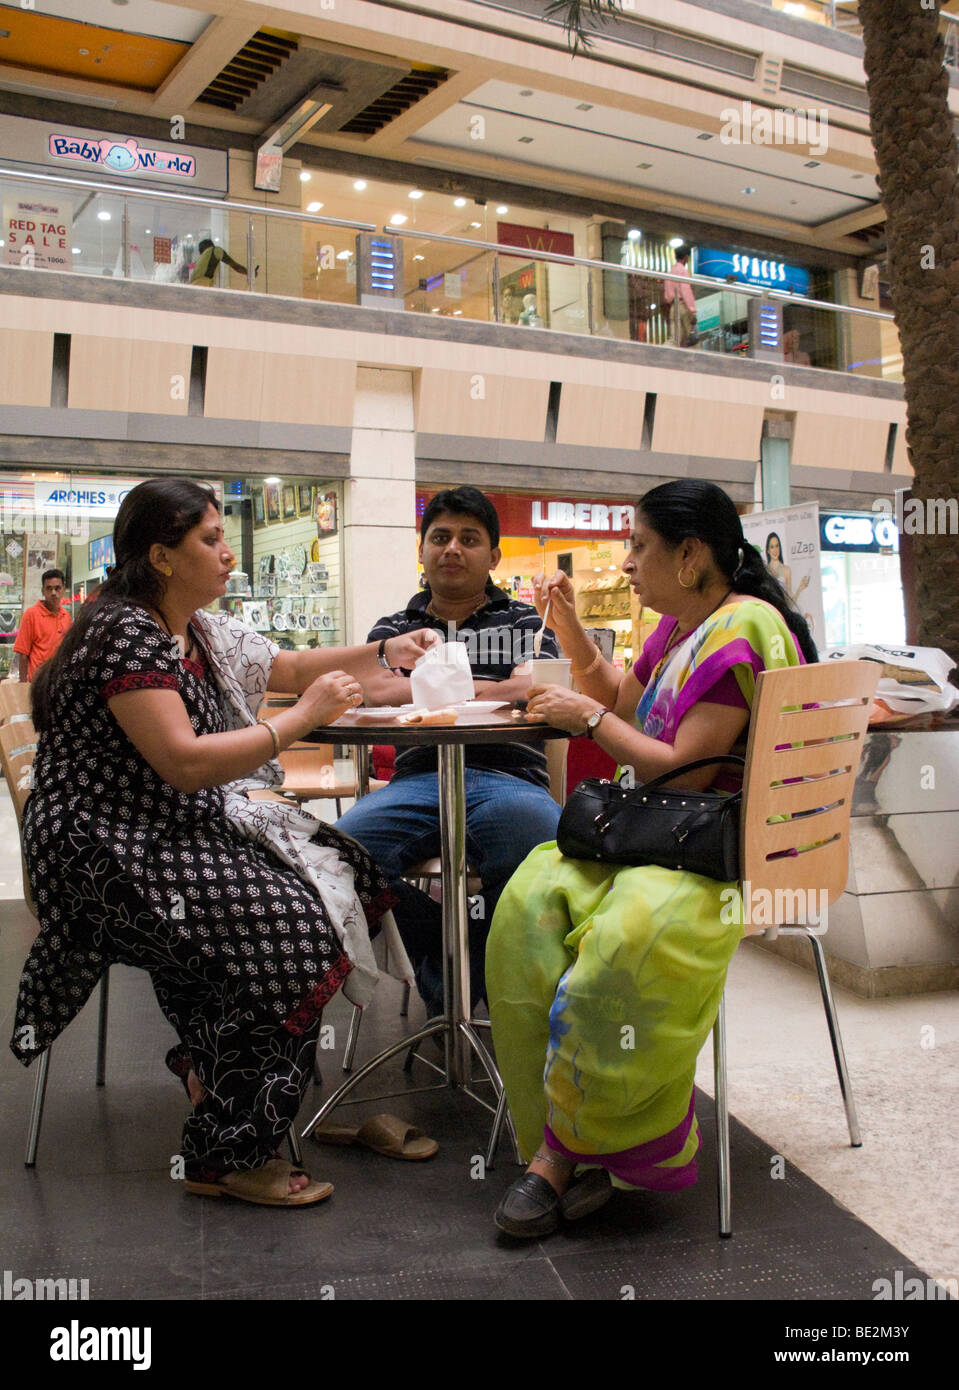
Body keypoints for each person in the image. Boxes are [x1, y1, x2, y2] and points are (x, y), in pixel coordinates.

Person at [9, 479, 437, 1208]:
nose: (228, 554)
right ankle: (229, 1147)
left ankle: (243, 1089)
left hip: (163, 828)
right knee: (292, 928)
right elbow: (182, 761)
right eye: (210, 539)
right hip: (102, 849)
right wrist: (301, 717)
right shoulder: (127, 632)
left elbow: (286, 671)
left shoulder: (195, 629)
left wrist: (381, 652)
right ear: (161, 556)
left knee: (346, 881)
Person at [486, 479, 818, 1238]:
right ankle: (571, 1139)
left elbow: (680, 770)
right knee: (523, 909)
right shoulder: (682, 624)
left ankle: (565, 1156)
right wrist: (569, 629)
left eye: (638, 546)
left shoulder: (742, 630)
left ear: (691, 555)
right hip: (659, 838)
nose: (627, 562)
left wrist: (587, 719)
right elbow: (624, 701)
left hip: (715, 853)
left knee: (619, 947)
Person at [336, 486, 562, 1014]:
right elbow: (376, 689)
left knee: (539, 853)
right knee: (339, 858)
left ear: (494, 556)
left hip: (509, 779)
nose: (452, 549)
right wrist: (489, 687)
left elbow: (535, 687)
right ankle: (445, 947)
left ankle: (491, 989)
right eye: (440, 537)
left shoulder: (526, 621)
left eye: (469, 538)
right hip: (419, 780)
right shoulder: (395, 628)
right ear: (422, 550)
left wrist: (438, 687)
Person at [14, 568, 71, 682]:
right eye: (49, 588)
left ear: (63, 590)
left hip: (61, 682)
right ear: (43, 591)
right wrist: (23, 685)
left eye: (57, 588)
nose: (53, 593)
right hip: (38, 685)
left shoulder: (66, 616)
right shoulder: (31, 615)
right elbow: (23, 654)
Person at [662, 244, 698, 347]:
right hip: (683, 305)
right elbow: (686, 291)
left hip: (674, 306)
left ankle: (664, 350)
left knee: (675, 338)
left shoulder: (671, 272)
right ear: (686, 256)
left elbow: (667, 294)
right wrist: (692, 310)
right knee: (692, 338)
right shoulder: (683, 270)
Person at [765, 531, 809, 607]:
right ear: (768, 550)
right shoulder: (764, 570)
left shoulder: (786, 570)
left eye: (777, 546)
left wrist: (800, 588)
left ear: (780, 547)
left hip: (783, 614)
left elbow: (790, 604)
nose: (775, 550)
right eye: (772, 547)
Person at [190, 238, 254, 287]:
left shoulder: (200, 260)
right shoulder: (215, 250)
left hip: (194, 285)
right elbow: (236, 267)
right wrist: (251, 273)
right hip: (202, 285)